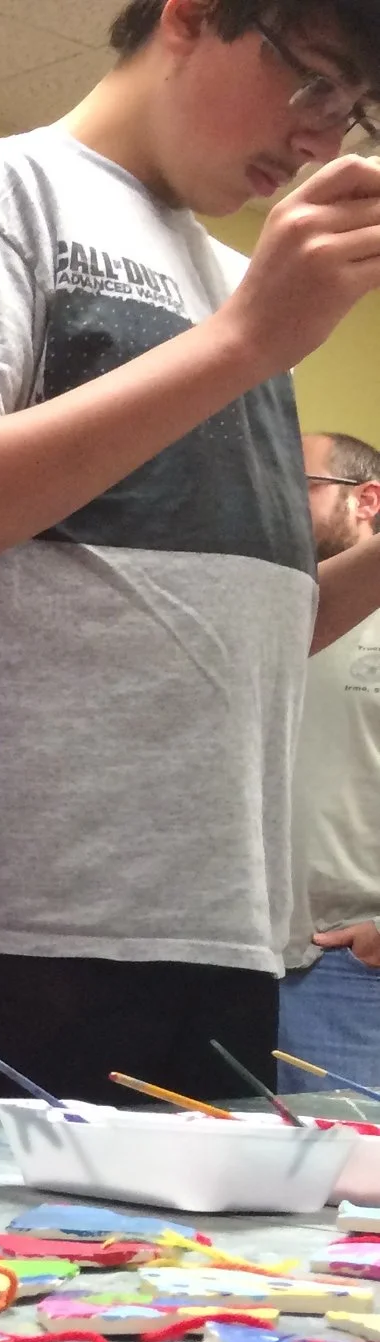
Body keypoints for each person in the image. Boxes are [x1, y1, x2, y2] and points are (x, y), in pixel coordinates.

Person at [0, 0, 380, 1116]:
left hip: (227, 928)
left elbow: (252, 627)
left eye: (353, 111)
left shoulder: (240, 278)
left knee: (206, 1294)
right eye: (317, 84)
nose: (322, 139)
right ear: (190, 17)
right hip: (21, 934)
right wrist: (244, 342)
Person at [281, 429, 380, 1087]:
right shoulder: (267, 619)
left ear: (366, 499)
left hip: (351, 972)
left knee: (355, 1191)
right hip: (227, 970)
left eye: (300, 484)